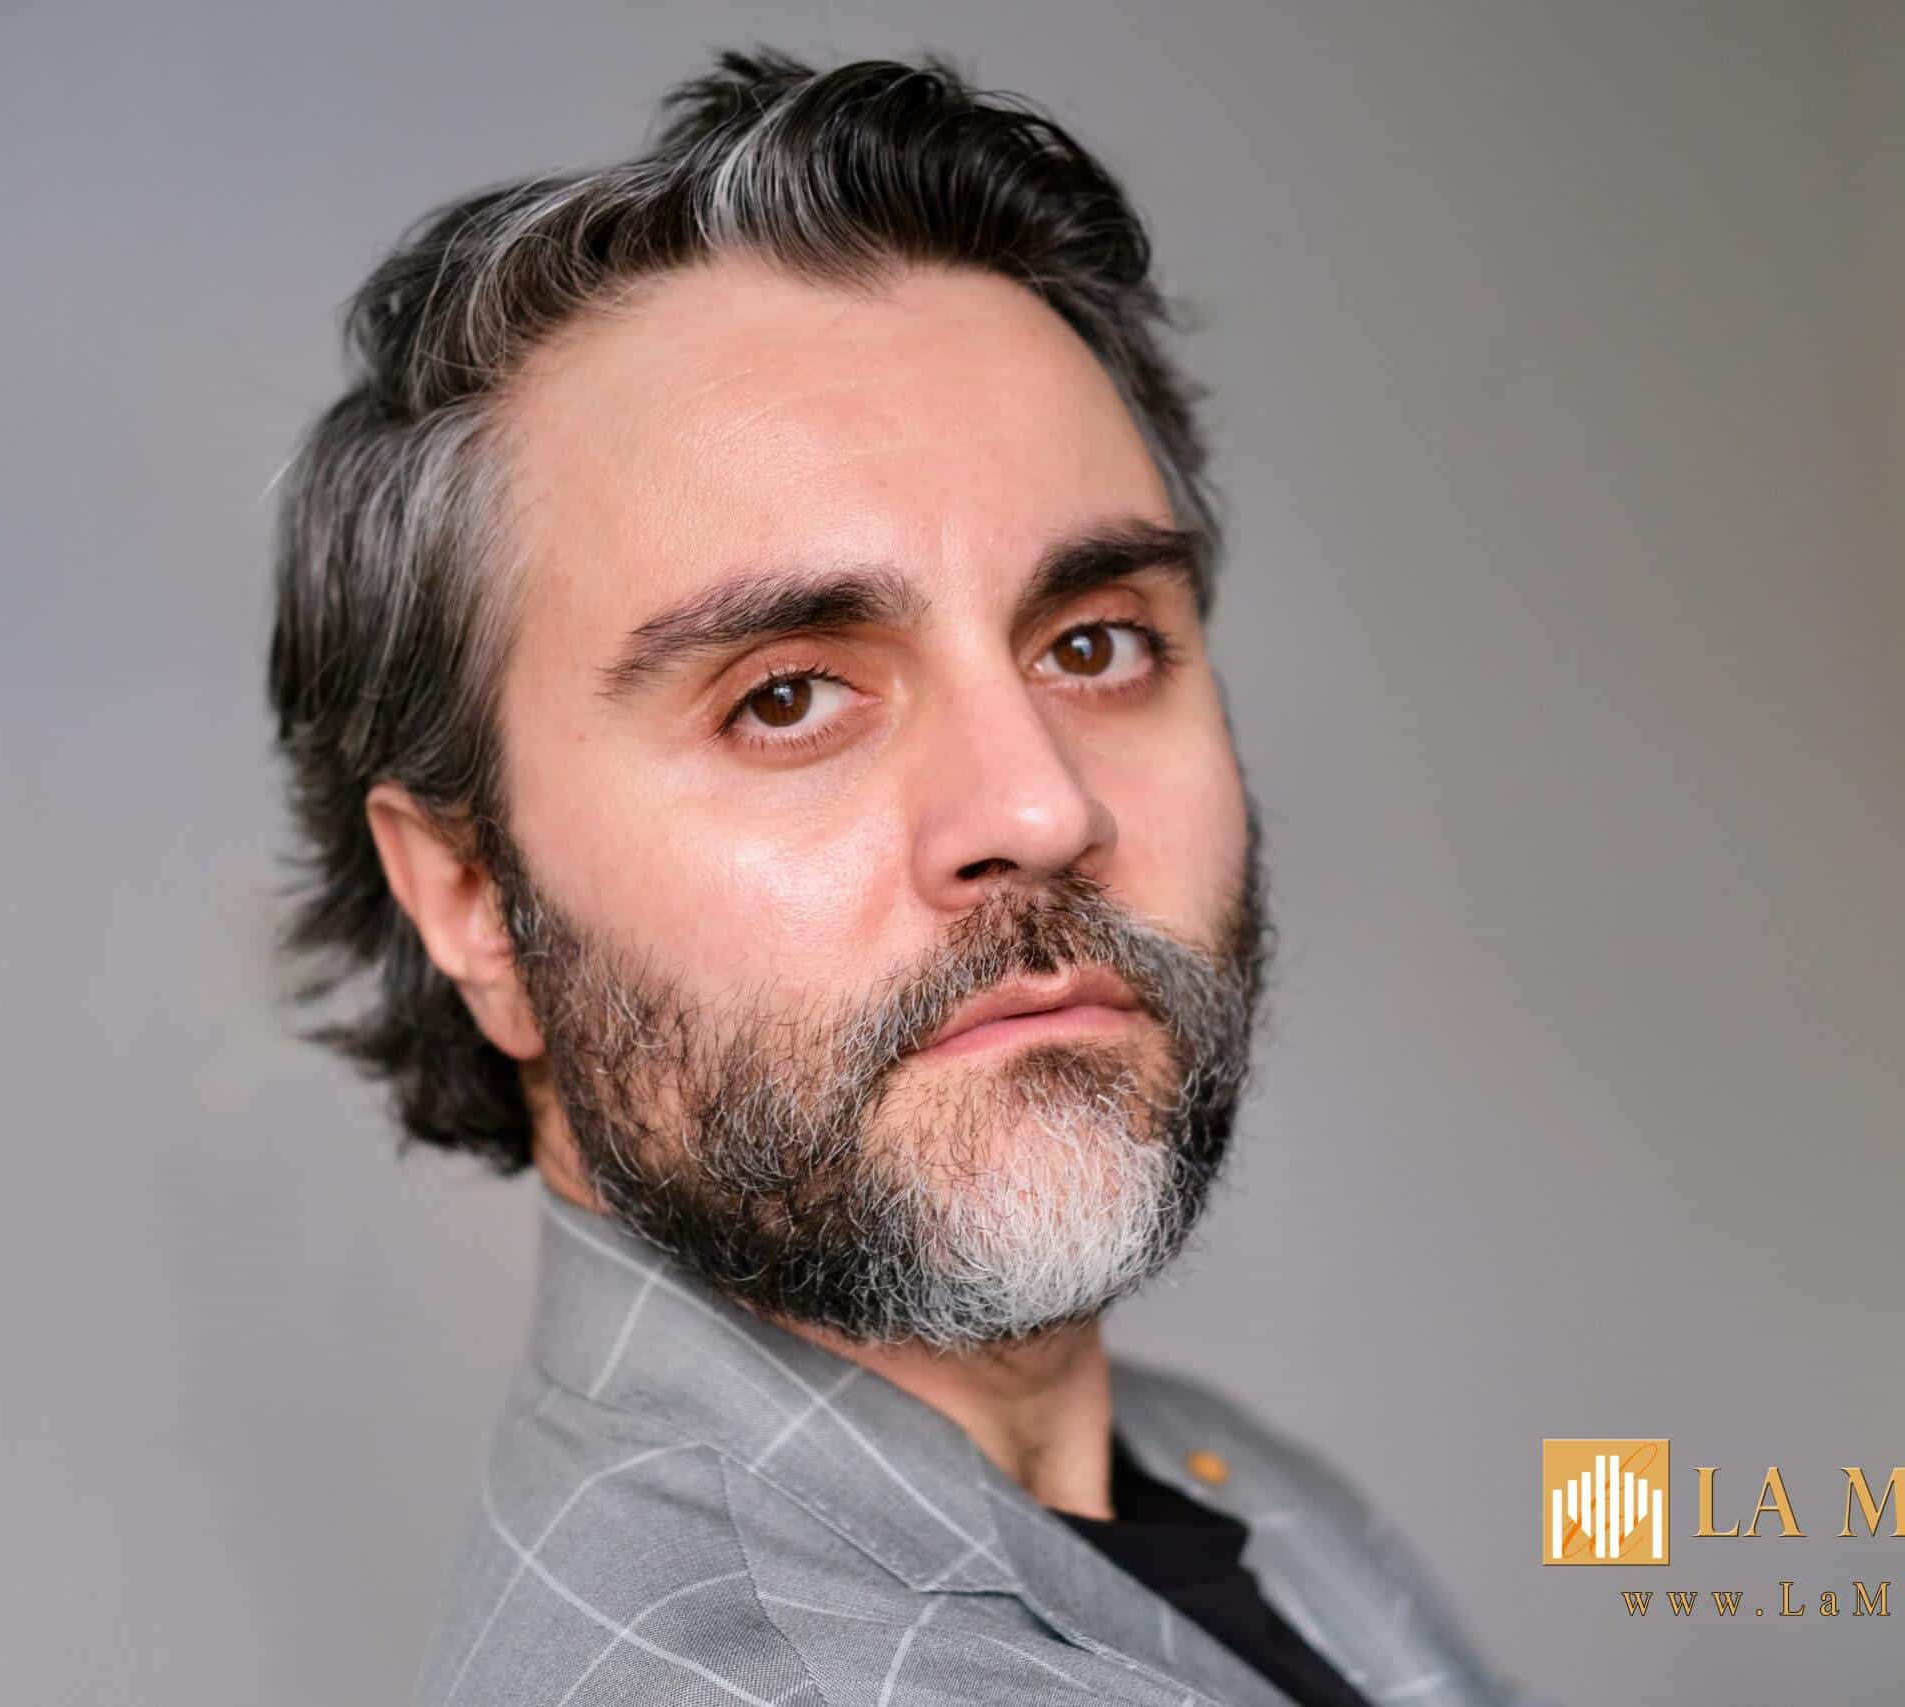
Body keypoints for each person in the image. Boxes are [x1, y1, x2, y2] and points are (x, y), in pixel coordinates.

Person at [268, 46, 1537, 1707]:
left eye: (1093, 643)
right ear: (469, 900)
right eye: (787, 697)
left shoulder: (1228, 1490)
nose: (1040, 806)